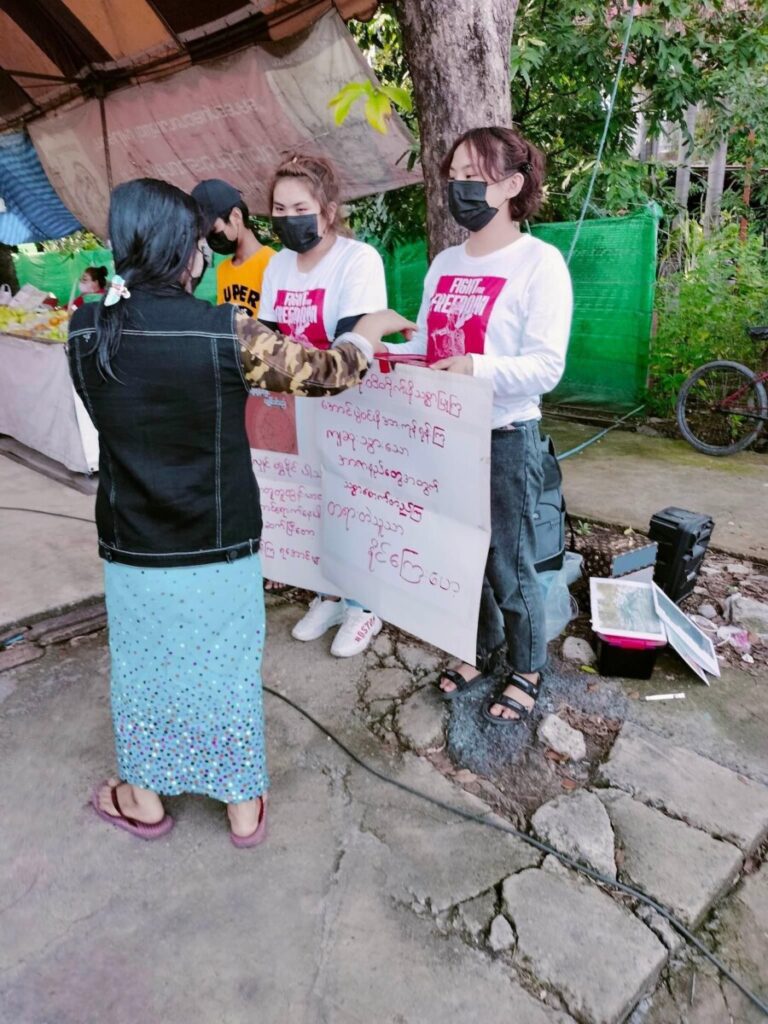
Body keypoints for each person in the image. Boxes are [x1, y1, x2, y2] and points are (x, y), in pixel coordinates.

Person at [68, 177, 412, 846]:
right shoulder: (226, 330)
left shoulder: (85, 326)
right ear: (183, 249)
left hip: (132, 544)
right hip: (218, 540)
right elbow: (329, 372)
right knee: (224, 672)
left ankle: (144, 798)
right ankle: (242, 806)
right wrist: (367, 334)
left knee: (143, 670)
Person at [385, 126, 573, 726]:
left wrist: (476, 367)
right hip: (444, 434)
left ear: (513, 185)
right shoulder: (445, 263)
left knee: (508, 562)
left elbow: (546, 367)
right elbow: (427, 341)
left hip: (504, 436)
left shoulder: (539, 264)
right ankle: (483, 647)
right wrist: (386, 350)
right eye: (454, 175)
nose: (459, 187)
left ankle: (527, 666)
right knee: (459, 556)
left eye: (474, 175)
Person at [258, 153, 390, 658]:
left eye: (301, 208)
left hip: (351, 408)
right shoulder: (277, 264)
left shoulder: (358, 260)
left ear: (329, 210)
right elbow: (269, 338)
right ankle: (329, 596)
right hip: (297, 408)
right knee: (311, 506)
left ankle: (364, 606)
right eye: (279, 209)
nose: (289, 218)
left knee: (352, 508)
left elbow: (350, 347)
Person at [190, 178, 275, 317]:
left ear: (236, 216)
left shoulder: (272, 264)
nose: (211, 238)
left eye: (213, 229)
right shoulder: (223, 269)